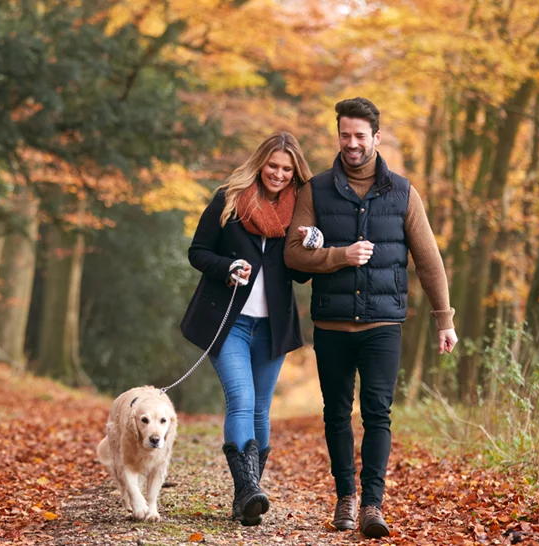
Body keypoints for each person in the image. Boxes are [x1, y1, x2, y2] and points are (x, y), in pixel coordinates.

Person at [284, 97, 458, 539]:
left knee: (378, 414)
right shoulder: (316, 191)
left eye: (361, 136)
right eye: (345, 135)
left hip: (383, 325)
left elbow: (429, 260)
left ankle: (373, 506)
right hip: (331, 325)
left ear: (376, 138)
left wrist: (445, 319)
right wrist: (339, 256)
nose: (352, 144)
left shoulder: (402, 192)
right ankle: (346, 497)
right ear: (338, 136)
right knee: (337, 414)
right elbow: (292, 254)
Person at [180, 131, 313, 526]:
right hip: (229, 322)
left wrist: (309, 245)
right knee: (241, 398)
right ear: (260, 163)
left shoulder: (301, 212)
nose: (278, 174)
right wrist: (227, 268)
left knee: (260, 408)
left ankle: (247, 497)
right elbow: (198, 251)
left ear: (294, 173)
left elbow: (302, 276)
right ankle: (248, 491)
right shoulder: (229, 199)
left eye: (287, 169)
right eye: (273, 165)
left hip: (272, 328)